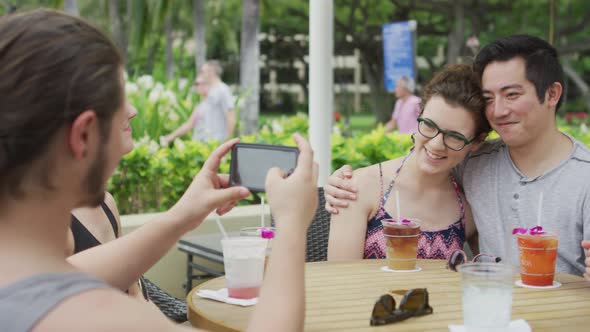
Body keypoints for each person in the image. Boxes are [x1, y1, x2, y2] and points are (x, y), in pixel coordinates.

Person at [0, 9, 317, 331]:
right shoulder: (100, 318)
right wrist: (291, 223)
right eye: (118, 96)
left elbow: (73, 271)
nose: (134, 111)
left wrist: (185, 214)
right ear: (83, 135)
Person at [324, 34, 590, 280]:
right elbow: (423, 161)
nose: (498, 111)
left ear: (552, 94)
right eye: (489, 98)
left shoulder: (583, 178)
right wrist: (341, 183)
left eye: (512, 95)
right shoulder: (475, 163)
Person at [328, 64, 487, 261]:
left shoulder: (467, 209)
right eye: (429, 125)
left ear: (477, 141)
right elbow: (340, 279)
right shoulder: (359, 188)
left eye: (454, 136)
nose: (436, 144)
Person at [160, 75, 211, 145]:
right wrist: (170, 137)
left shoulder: (213, 105)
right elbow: (189, 124)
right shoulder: (200, 105)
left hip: (209, 144)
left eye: (201, 83)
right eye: (196, 84)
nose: (198, 86)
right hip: (199, 144)